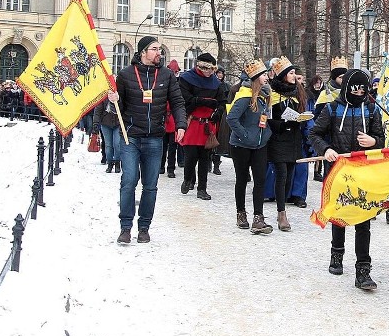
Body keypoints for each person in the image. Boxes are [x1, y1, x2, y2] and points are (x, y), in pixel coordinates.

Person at [309, 68, 385, 290]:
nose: (360, 93)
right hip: (338, 170)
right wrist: (327, 149)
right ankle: (337, 254)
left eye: (364, 89)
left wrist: (373, 141)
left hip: (363, 171)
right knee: (339, 214)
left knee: (363, 218)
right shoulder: (332, 108)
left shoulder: (371, 110)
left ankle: (363, 270)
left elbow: (381, 139)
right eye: (356, 89)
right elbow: (314, 134)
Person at [109, 36, 186, 244]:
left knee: (150, 186)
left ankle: (144, 227)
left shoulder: (167, 75)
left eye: (159, 49)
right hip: (131, 137)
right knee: (129, 181)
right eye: (154, 49)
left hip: (154, 138)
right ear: (143, 52)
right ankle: (125, 227)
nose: (158, 53)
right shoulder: (126, 75)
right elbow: (119, 107)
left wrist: (181, 124)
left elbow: (177, 102)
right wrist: (113, 100)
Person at [226, 59, 273, 234]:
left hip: (260, 145)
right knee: (242, 179)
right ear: (255, 77)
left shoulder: (265, 96)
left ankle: (258, 218)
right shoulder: (245, 96)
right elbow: (231, 118)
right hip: (241, 145)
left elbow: (265, 119)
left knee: (260, 180)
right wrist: (245, 135)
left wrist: (267, 134)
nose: (267, 77)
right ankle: (241, 213)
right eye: (263, 75)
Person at [265, 56, 309, 231]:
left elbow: (301, 113)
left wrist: (301, 120)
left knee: (289, 176)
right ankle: (281, 213)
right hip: (278, 139)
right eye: (291, 73)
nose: (294, 75)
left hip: (293, 140)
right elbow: (268, 119)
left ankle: (283, 207)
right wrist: (284, 123)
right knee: (281, 175)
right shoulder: (272, 93)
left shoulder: (297, 91)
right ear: (283, 75)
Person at [179, 53, 227, 200]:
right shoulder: (186, 79)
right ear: (200, 67)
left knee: (205, 157)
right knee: (191, 156)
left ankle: (202, 189)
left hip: (208, 123)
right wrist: (203, 101)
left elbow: (221, 102)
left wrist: (217, 112)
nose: (209, 73)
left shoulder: (216, 83)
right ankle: (188, 179)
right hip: (192, 122)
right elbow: (184, 100)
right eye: (206, 69)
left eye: (211, 70)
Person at [93, 96, 122, 173]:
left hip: (118, 123)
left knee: (117, 144)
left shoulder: (120, 94)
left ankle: (117, 162)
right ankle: (109, 163)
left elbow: (124, 107)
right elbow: (98, 110)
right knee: (108, 145)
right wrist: (96, 123)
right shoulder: (103, 96)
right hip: (105, 123)